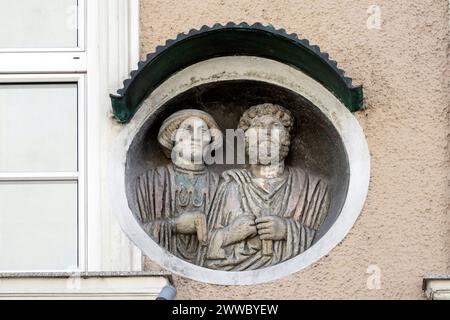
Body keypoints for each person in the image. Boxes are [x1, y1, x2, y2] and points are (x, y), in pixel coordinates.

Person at [205, 103, 329, 271]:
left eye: (275, 126)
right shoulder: (229, 186)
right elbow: (203, 248)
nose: (266, 132)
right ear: (245, 139)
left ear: (286, 138)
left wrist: (287, 230)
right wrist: (229, 235)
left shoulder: (312, 189)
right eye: (258, 127)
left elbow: (321, 241)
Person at [135, 109, 222, 265]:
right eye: (188, 130)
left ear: (210, 140)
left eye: (203, 131)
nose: (195, 137)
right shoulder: (149, 182)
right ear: (173, 136)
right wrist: (174, 226)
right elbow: (135, 234)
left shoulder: (221, 185)